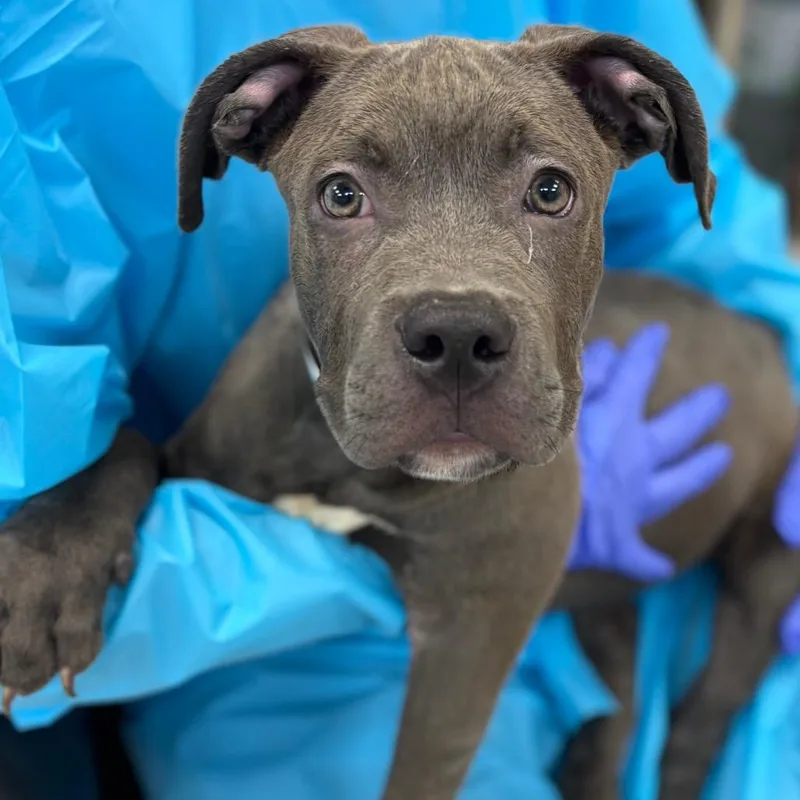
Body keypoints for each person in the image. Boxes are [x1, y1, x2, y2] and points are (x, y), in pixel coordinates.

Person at [1, 0, 799, 797]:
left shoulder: (595, 54)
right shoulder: (67, 31)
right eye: (344, 197)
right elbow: (138, 473)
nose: (454, 314)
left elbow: (716, 237)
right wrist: (91, 498)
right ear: (242, 127)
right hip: (242, 670)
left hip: (584, 605)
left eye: (548, 191)